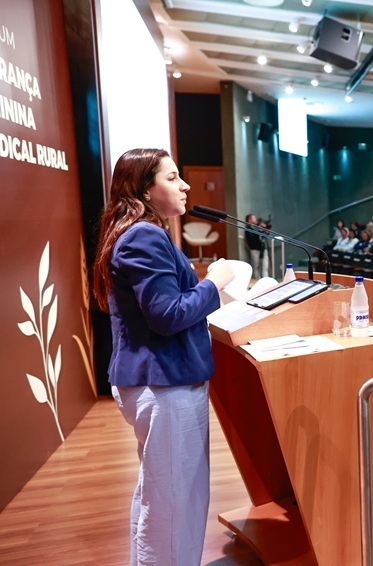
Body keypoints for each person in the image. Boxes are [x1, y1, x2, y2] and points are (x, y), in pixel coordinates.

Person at [92, 148, 236, 565]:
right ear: (145, 189)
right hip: (165, 383)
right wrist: (214, 284)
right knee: (175, 507)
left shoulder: (138, 232)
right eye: (172, 178)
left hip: (160, 382)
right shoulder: (144, 235)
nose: (185, 185)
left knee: (160, 496)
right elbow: (166, 315)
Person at [245, 214, 266, 279]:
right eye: (254, 218)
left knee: (264, 266)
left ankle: (265, 279)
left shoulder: (256, 227)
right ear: (249, 220)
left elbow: (263, 235)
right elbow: (252, 238)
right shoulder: (248, 228)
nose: (255, 219)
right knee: (256, 266)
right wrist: (259, 231)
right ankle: (257, 280)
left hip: (261, 248)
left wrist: (263, 229)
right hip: (254, 249)